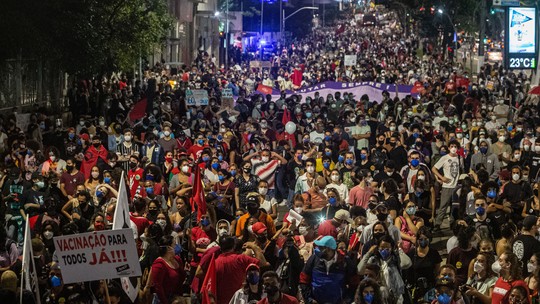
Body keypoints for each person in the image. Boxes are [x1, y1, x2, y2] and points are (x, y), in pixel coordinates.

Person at [300, 235, 357, 304]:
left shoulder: (345, 262)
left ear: (330, 249)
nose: (318, 249)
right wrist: (309, 299)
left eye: (321, 248)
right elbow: (303, 280)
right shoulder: (313, 259)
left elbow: (354, 283)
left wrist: (346, 301)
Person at [215, 236, 268, 304]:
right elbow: (263, 263)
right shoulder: (240, 259)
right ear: (234, 246)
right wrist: (254, 246)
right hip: (239, 300)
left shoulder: (215, 263)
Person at [432, 140, 464, 231]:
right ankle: (438, 224)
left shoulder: (460, 158)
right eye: (452, 146)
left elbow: (461, 169)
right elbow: (434, 168)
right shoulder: (444, 158)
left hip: (456, 186)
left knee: (454, 207)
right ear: (449, 148)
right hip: (447, 186)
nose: (453, 148)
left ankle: (452, 224)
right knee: (443, 206)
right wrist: (441, 178)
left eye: (455, 146)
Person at [148, 235, 186, 304]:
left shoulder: (178, 259)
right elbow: (158, 287)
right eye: (174, 244)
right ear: (168, 248)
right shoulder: (159, 264)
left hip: (177, 298)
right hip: (164, 300)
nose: (177, 246)